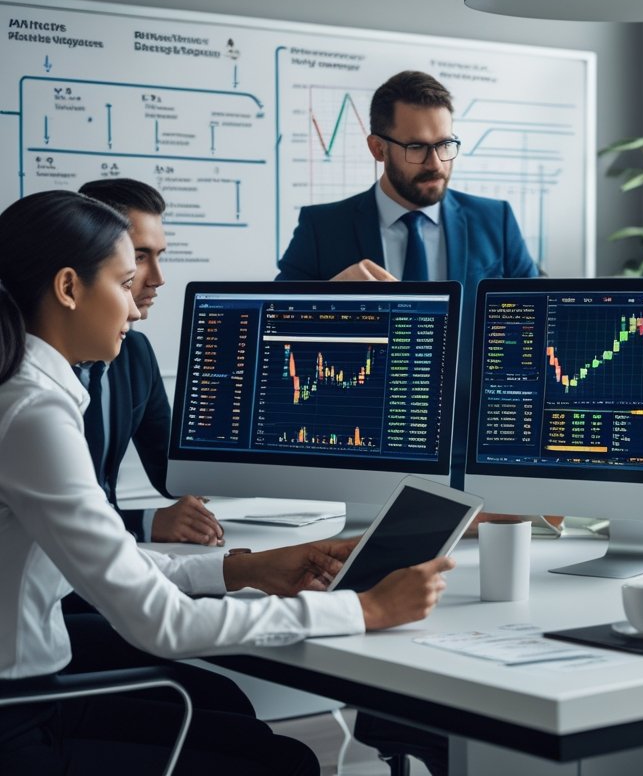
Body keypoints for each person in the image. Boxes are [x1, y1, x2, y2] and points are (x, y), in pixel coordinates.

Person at [0, 190, 454, 774]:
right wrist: (363, 610)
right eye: (123, 281)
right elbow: (161, 622)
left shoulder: (27, 393)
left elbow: (109, 564)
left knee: (253, 735)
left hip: (38, 692)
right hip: (22, 718)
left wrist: (245, 569)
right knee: (278, 764)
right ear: (68, 288)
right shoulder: (33, 414)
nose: (137, 309)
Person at [276, 69, 538, 487]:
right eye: (417, 147)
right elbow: (267, 336)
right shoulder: (324, 228)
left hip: (476, 455)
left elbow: (538, 328)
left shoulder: (496, 221)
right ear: (378, 147)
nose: (435, 164)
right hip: (359, 452)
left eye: (445, 145)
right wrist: (329, 299)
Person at [74, 178, 223, 545]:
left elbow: (176, 475)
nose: (158, 279)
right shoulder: (32, 372)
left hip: (106, 566)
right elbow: (56, 519)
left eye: (160, 255)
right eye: (140, 257)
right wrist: (143, 523)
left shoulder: (133, 354)